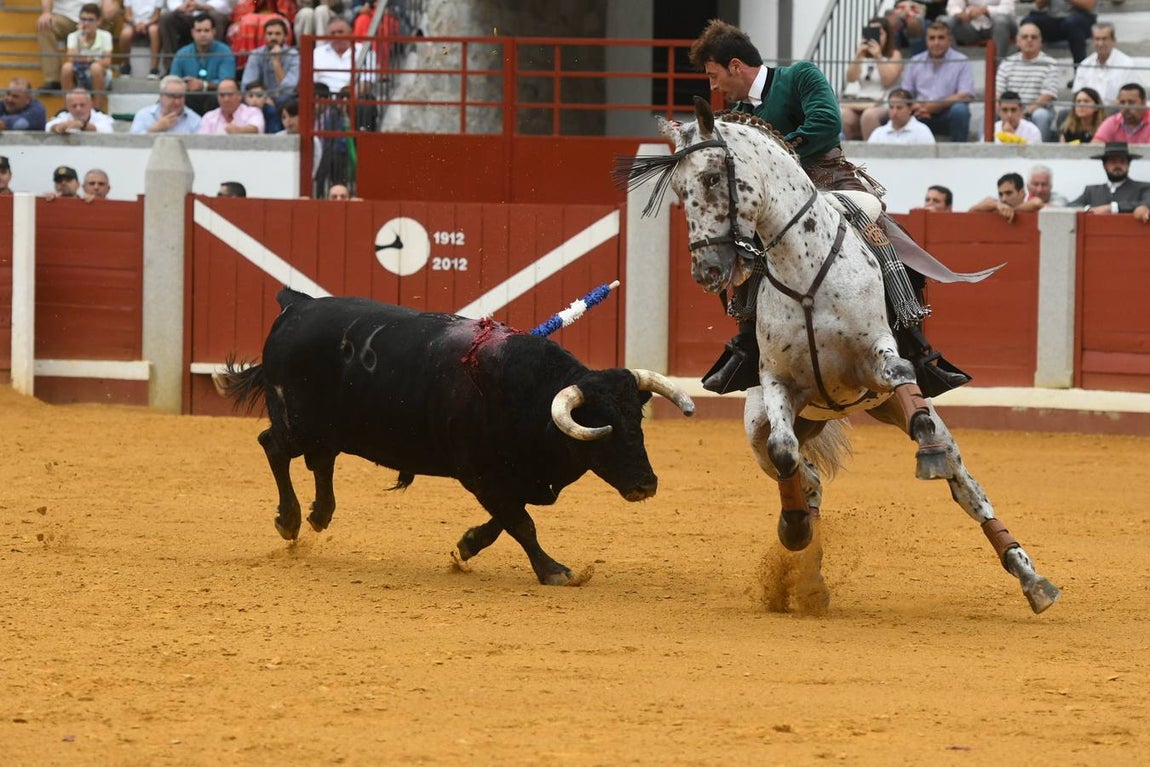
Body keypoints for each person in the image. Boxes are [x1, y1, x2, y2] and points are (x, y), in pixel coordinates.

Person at [688, 19, 983, 396]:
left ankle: (916, 348)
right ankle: (747, 344)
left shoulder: (800, 76)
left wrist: (779, 157)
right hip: (781, 203)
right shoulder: (741, 116)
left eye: (713, 75)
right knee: (748, 249)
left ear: (734, 66)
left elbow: (826, 124)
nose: (713, 87)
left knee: (879, 235)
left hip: (830, 179)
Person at [899, 22, 974, 143]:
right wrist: (916, 106)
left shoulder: (961, 61)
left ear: (949, 40)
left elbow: (965, 94)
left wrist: (934, 106)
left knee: (960, 110)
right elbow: (905, 93)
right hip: (919, 113)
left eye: (941, 37)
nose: (936, 42)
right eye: (932, 38)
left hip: (947, 113)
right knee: (895, 110)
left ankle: (958, 154)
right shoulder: (915, 61)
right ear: (926, 40)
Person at [840, 17, 904, 141]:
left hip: (884, 102)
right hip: (862, 100)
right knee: (844, 115)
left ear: (887, 35)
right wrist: (858, 56)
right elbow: (851, 78)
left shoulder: (894, 54)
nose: (875, 37)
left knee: (868, 116)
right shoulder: (862, 55)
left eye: (879, 33)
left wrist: (878, 56)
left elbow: (887, 80)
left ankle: (871, 153)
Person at [994, 23, 1060, 142]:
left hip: (1035, 111)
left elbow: (1048, 95)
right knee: (987, 113)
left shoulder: (1050, 63)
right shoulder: (1006, 63)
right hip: (1009, 110)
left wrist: (1023, 112)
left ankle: (1040, 155)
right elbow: (998, 94)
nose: (1029, 40)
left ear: (1040, 41)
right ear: (1017, 41)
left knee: (1041, 115)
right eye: (1025, 37)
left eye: (1034, 37)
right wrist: (1007, 113)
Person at [169, 12, 238, 115]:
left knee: (215, 99)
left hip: (215, 97)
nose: (202, 34)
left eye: (206, 30)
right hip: (189, 97)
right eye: (199, 31)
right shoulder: (182, 54)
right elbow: (173, 81)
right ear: (192, 32)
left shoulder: (225, 51)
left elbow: (227, 82)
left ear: (214, 32)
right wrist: (184, 85)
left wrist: (203, 85)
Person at [1069, 142, 1150, 221]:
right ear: (1104, 165)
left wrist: (1113, 208)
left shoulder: (1143, 188)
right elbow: (1070, 206)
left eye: (1122, 161)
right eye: (1113, 161)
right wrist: (1089, 209)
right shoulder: (1091, 191)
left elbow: (1147, 202)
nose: (1118, 165)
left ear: (1128, 165)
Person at [1071, 22, 1138, 107]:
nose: (1100, 44)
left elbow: (1130, 96)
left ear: (1113, 41)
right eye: (1097, 39)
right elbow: (1077, 95)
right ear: (1092, 41)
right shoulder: (1084, 65)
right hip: (1089, 112)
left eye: (1104, 39)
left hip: (1114, 112)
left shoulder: (1127, 64)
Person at [62, 3, 114, 109]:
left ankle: (97, 108)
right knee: (66, 68)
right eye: (83, 19)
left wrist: (88, 60)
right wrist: (81, 41)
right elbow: (71, 58)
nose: (86, 23)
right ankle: (68, 107)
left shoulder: (105, 36)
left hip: (100, 74)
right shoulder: (73, 36)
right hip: (79, 73)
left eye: (90, 20)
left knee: (95, 68)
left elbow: (107, 61)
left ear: (98, 21)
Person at [1020, 0, 1097, 66]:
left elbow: (1089, 5)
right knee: (1028, 22)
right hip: (1054, 20)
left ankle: (1079, 72)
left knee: (1072, 23)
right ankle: (1024, 66)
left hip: (1079, 20)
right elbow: (1039, 5)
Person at [159, 0, 233, 68]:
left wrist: (200, 6)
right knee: (166, 18)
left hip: (207, 13)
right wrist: (182, 7)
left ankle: (214, 63)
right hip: (185, 14)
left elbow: (222, 3)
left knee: (217, 16)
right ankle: (171, 67)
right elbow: (173, 3)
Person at [240, 16, 298, 102]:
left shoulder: (294, 55)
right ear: (265, 36)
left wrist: (276, 62)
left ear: (285, 37)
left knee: (285, 99)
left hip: (285, 99)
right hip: (260, 100)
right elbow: (247, 84)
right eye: (269, 34)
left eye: (278, 34)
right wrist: (264, 98)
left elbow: (289, 89)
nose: (273, 37)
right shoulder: (256, 54)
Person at [939, 0, 1018, 56]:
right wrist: (960, 14)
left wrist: (985, 10)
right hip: (972, 26)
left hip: (998, 25)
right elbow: (953, 6)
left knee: (1001, 21)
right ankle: (954, 63)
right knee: (944, 22)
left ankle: (999, 65)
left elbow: (1008, 9)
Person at [37, 0, 85, 90]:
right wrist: (46, 12)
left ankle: (88, 77)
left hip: (94, 15)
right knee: (45, 25)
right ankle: (53, 80)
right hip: (66, 16)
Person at [130, 74, 202, 132]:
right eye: (172, 96)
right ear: (161, 96)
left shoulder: (194, 120)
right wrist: (155, 129)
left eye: (180, 97)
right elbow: (132, 143)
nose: (177, 102)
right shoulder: (144, 115)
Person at [867, 88, 936, 144]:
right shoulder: (878, 133)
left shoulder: (922, 131)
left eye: (899, 108)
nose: (894, 112)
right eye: (891, 107)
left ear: (910, 109)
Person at [197, 77, 264, 133]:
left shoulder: (253, 112)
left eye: (230, 94)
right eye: (222, 95)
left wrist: (239, 131)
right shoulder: (208, 117)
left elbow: (256, 129)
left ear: (240, 95)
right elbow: (201, 142)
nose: (226, 99)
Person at [119, 0, 162, 77]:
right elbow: (127, 15)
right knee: (125, 34)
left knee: (154, 30)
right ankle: (126, 65)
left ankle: (154, 69)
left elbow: (157, 15)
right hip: (134, 23)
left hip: (151, 23)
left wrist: (146, 25)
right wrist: (136, 24)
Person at [45, 87, 116, 133]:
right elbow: (48, 126)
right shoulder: (64, 116)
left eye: (82, 105)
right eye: (74, 106)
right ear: (68, 107)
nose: (78, 109)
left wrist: (82, 125)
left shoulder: (100, 116)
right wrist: (58, 127)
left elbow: (108, 130)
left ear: (90, 104)